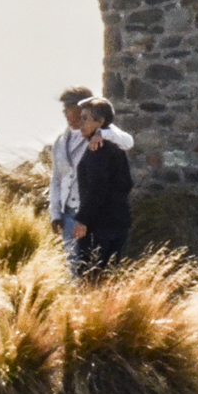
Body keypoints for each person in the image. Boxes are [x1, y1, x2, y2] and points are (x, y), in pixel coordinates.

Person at [50, 86, 135, 268]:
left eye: (69, 108)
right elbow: (56, 179)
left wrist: (101, 133)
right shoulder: (60, 141)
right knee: (72, 264)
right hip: (68, 212)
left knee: (88, 265)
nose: (65, 113)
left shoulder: (101, 135)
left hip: (90, 214)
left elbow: (128, 141)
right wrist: (55, 213)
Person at [73, 99, 134, 274]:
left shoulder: (97, 150)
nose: (81, 123)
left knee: (90, 278)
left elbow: (97, 190)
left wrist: (82, 219)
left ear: (100, 123)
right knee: (110, 277)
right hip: (119, 221)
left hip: (99, 225)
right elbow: (126, 184)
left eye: (85, 119)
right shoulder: (117, 149)